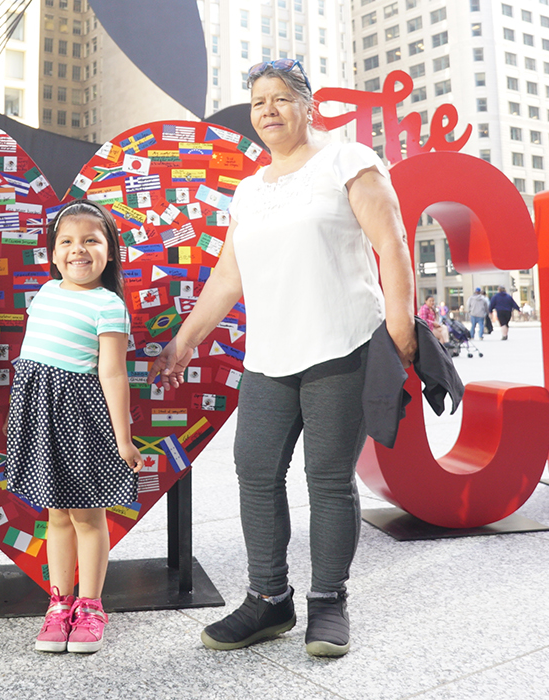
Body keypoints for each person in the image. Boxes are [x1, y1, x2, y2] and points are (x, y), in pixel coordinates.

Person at [149, 58, 417, 658]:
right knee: (256, 474)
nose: (267, 111)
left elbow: (392, 244)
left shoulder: (348, 161)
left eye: (280, 98)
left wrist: (401, 331)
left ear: (307, 104)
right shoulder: (250, 188)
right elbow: (227, 277)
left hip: (342, 345)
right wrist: (185, 340)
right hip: (269, 356)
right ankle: (269, 600)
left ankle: (328, 603)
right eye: (258, 102)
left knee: (327, 480)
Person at [3, 200, 141, 654]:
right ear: (53, 250)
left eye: (90, 241)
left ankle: (91, 605)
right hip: (40, 414)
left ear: (110, 251)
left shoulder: (109, 306)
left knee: (87, 515)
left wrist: (123, 438)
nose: (77, 251)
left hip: (80, 420)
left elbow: (113, 374)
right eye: (66, 241)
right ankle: (58, 605)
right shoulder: (44, 292)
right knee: (56, 515)